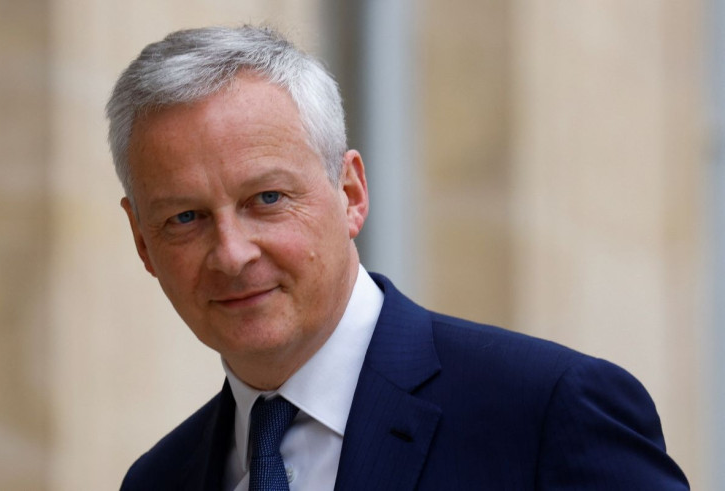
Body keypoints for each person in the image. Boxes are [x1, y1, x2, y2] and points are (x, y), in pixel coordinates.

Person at [107, 25, 689, 490]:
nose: (232, 255)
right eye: (185, 218)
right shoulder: (160, 478)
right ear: (142, 243)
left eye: (267, 199)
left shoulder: (547, 413)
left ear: (351, 194)